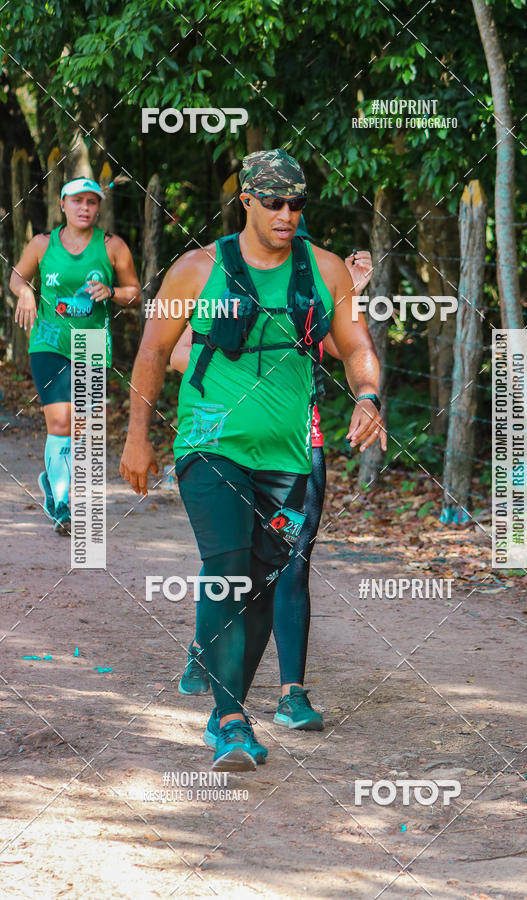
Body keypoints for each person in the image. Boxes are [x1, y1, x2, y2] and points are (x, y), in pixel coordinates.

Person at [120, 148, 386, 772]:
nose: (287, 214)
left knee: (268, 577)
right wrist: (137, 437)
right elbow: (153, 353)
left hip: (290, 455)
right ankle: (232, 721)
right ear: (247, 201)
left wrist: (368, 395)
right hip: (209, 443)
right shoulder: (195, 269)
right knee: (228, 563)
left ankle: (226, 708)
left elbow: (356, 346)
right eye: (274, 203)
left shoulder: (324, 270)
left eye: (297, 203)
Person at [171, 220, 373, 734]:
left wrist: (341, 298)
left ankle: (292, 693)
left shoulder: (315, 282)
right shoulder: (219, 278)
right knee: (229, 560)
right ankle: (211, 660)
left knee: (291, 565)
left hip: (301, 447)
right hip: (227, 444)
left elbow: (343, 348)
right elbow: (176, 352)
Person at [11, 176, 141, 534]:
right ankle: (64, 506)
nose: (85, 208)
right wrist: (24, 292)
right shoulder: (42, 244)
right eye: (77, 201)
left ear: (99, 207)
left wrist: (112, 291)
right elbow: (16, 277)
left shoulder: (113, 246)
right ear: (62, 205)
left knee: (82, 429)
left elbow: (135, 294)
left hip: (93, 345)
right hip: (49, 343)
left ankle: (53, 482)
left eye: (92, 202)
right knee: (60, 424)